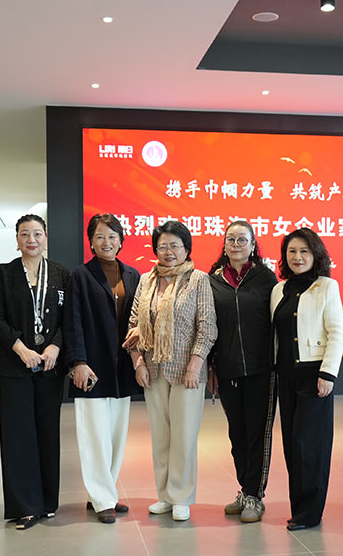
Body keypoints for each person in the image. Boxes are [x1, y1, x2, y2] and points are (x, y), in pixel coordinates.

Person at [127, 220, 217, 522]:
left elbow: (207, 327)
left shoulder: (198, 280)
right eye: (162, 246)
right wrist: (138, 363)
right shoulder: (146, 281)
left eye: (174, 246)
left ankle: (181, 496)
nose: (168, 251)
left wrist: (195, 365)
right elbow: (133, 326)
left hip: (186, 371)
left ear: (186, 249)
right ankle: (165, 495)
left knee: (184, 436)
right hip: (152, 370)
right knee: (161, 436)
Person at [0, 214, 70, 530]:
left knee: (47, 433)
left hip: (50, 365)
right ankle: (24, 505)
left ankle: (47, 502)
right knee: (17, 435)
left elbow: (69, 318)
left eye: (37, 233)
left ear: (46, 237)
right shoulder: (5, 272)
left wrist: (55, 348)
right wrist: (20, 348)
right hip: (15, 364)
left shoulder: (61, 273)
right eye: (25, 234)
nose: (31, 240)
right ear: (17, 239)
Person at [63, 213, 141, 524]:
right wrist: (79, 362)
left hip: (121, 366)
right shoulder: (80, 276)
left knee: (115, 435)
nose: (106, 242)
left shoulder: (133, 274)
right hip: (92, 366)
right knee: (94, 435)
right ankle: (101, 498)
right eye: (99, 236)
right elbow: (73, 321)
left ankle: (103, 492)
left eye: (112, 236)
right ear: (91, 242)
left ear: (121, 240)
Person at [270, 227, 343, 531]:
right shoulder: (279, 289)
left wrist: (328, 373)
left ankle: (309, 514)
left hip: (315, 376)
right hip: (286, 377)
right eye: (292, 251)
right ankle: (298, 508)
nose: (297, 257)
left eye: (304, 251)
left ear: (315, 255)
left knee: (310, 445)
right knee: (292, 445)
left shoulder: (327, 286)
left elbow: (336, 333)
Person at [207, 221, 278, 523]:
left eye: (242, 239)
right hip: (227, 369)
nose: (236, 244)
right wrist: (211, 365)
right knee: (237, 434)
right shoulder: (213, 281)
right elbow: (208, 325)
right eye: (230, 239)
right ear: (224, 245)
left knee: (257, 434)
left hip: (262, 369)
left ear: (252, 245)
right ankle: (244, 489)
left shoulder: (266, 278)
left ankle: (254, 495)